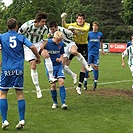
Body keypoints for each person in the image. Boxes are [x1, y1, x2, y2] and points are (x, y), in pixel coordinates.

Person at [0, 18, 41, 130]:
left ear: (7, 26)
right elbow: (32, 46)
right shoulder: (20, 37)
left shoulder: (2, 36)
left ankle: (4, 120)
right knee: (20, 94)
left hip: (6, 69)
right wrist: (37, 57)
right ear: (16, 26)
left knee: (3, 93)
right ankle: (22, 119)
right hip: (18, 69)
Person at [18, 12, 56, 98]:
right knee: (33, 65)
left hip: (38, 43)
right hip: (28, 45)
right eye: (42, 21)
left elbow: (45, 40)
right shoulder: (27, 25)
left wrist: (41, 48)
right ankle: (37, 88)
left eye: (45, 21)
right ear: (37, 21)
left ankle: (51, 76)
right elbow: (18, 34)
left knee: (46, 55)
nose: (44, 23)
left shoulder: (45, 29)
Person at [48, 20, 91, 85]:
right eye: (51, 29)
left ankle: (86, 66)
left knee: (74, 51)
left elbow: (75, 33)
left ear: (56, 27)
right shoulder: (50, 31)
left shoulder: (63, 30)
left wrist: (73, 31)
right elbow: (48, 36)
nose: (52, 31)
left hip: (70, 43)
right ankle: (73, 75)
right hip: (64, 47)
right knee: (62, 65)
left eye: (53, 29)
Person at [61, 13, 90, 95]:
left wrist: (74, 28)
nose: (80, 20)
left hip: (83, 46)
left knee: (83, 67)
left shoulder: (87, 25)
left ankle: (79, 87)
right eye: (79, 18)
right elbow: (64, 25)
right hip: (75, 45)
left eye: (81, 19)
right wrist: (63, 19)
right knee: (64, 64)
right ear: (76, 19)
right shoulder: (73, 24)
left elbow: (84, 29)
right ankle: (73, 75)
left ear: (84, 20)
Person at [40, 31, 67, 109]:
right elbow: (40, 50)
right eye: (58, 40)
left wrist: (61, 59)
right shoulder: (47, 43)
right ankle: (55, 102)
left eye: (60, 40)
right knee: (53, 85)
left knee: (61, 81)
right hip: (50, 68)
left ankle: (63, 103)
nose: (59, 42)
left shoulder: (61, 44)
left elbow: (62, 54)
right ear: (54, 37)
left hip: (58, 66)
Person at [87, 21, 104, 91]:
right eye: (93, 25)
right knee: (87, 66)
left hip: (96, 53)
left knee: (96, 67)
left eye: (96, 26)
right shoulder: (89, 34)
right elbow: (86, 41)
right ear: (92, 26)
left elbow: (101, 42)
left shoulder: (100, 34)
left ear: (98, 27)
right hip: (89, 52)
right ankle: (85, 81)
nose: (95, 27)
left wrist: (102, 50)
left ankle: (95, 83)